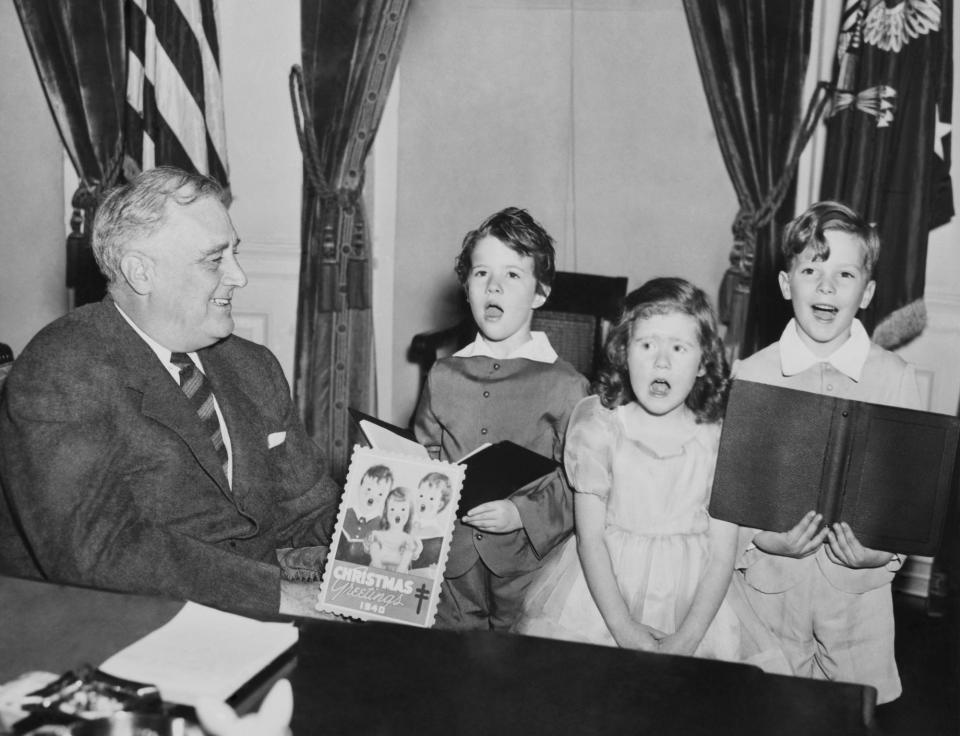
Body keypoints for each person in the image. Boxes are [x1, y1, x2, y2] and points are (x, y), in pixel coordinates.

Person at [0, 166, 341, 618]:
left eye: (234, 254)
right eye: (214, 260)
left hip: (259, 613)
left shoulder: (252, 365)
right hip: (121, 624)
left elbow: (307, 508)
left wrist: (381, 528)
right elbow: (98, 551)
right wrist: (278, 597)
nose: (239, 277)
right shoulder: (62, 370)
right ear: (140, 272)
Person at [731, 201, 922, 703]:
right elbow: (730, 491)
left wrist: (882, 551)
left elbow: (906, 494)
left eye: (845, 273)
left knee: (849, 717)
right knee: (762, 714)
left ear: (868, 294)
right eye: (811, 269)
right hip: (767, 601)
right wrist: (762, 542)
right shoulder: (751, 374)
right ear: (784, 283)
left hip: (856, 608)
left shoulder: (895, 379)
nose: (826, 286)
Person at [514, 277, 744, 660]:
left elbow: (723, 554)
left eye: (679, 347)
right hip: (603, 598)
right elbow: (591, 538)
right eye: (647, 344)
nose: (662, 361)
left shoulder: (720, 439)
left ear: (704, 361)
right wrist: (623, 629)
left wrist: (687, 640)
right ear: (623, 352)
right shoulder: (598, 426)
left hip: (695, 609)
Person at [413, 206, 589, 631]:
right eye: (480, 274)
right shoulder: (442, 375)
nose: (493, 286)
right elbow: (423, 456)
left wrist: (522, 514)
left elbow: (582, 485)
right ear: (467, 288)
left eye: (512, 275)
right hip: (450, 566)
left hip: (530, 567)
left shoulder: (567, 384)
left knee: (518, 670)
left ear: (539, 293)